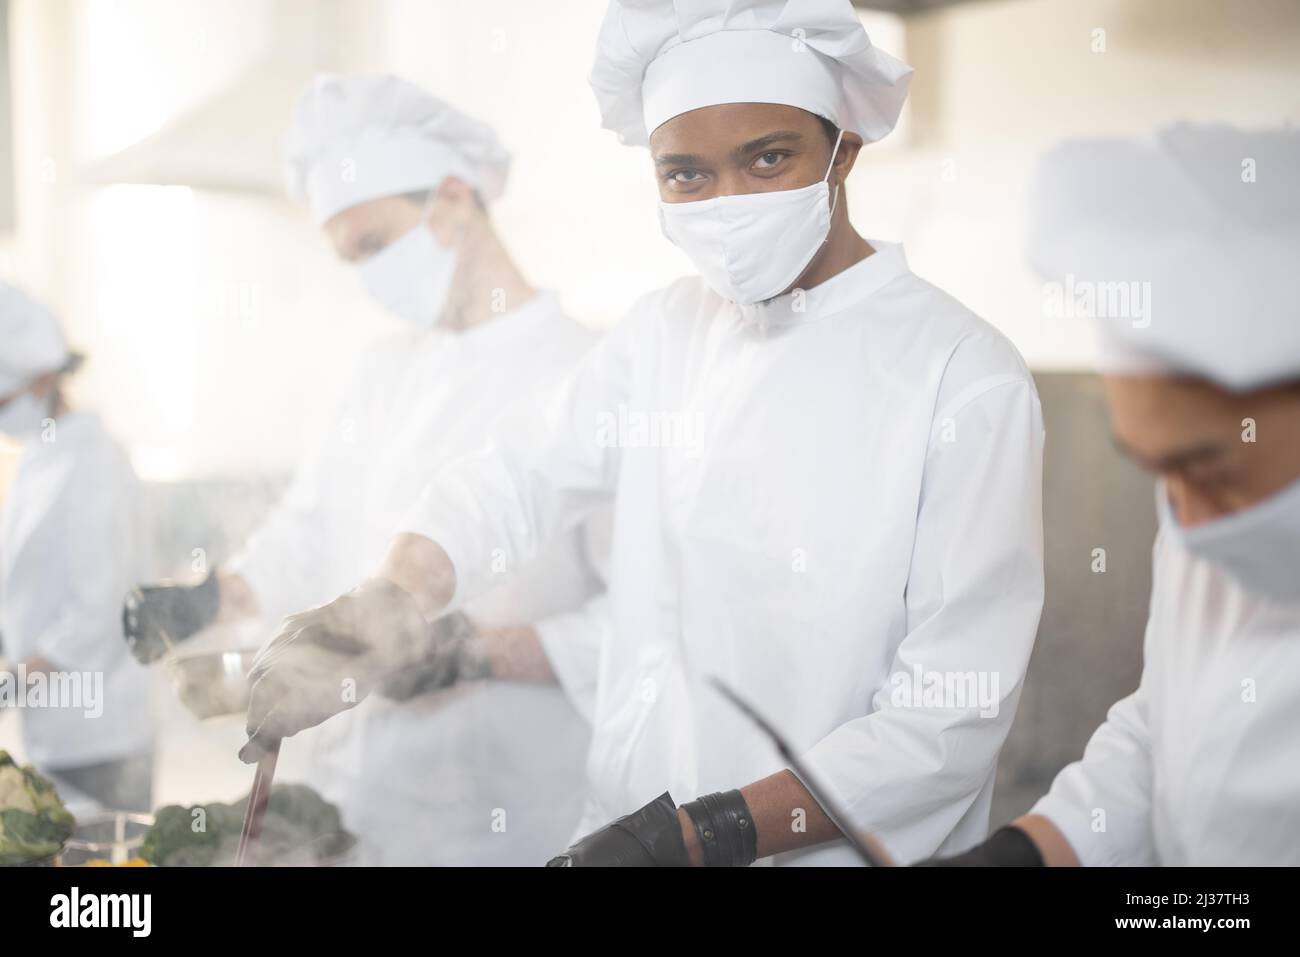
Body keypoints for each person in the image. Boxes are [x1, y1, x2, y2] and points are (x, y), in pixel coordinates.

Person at [239, 1, 1047, 867]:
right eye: (687, 175)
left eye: (768, 158)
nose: (728, 202)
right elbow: (517, 478)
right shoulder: (666, 332)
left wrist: (698, 836)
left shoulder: (963, 375)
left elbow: (943, 725)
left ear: (843, 149)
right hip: (622, 836)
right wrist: (388, 601)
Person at [122, 75, 611, 865]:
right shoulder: (380, 371)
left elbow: (643, 624)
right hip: (359, 806)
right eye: (349, 258)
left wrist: (474, 650)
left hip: (510, 820)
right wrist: (215, 594)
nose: (367, 275)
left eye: (374, 245)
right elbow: (309, 532)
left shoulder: (587, 370)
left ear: (453, 200)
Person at [922, 125, 1300, 866]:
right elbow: (1168, 730)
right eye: (1157, 469)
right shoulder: (1210, 518)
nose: (1186, 521)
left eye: (1210, 465)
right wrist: (1028, 854)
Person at [0, 283, 154, 811]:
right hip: (52, 725)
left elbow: (97, 614)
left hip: (102, 731)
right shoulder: (39, 457)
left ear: (45, 379)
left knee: (102, 868)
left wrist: (9, 686)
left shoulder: (96, 465)